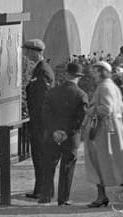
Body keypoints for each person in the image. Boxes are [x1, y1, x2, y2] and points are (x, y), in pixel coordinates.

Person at [82, 61, 123, 207]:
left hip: (104, 131)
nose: (93, 75)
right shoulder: (112, 86)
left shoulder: (104, 87)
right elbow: (120, 106)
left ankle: (103, 196)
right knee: (116, 160)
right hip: (113, 129)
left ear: (102, 72)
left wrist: (91, 110)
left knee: (97, 160)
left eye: (96, 72)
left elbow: (106, 109)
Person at [37, 62, 88, 205]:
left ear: (66, 74)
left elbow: (45, 113)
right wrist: (67, 132)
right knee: (67, 166)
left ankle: (45, 196)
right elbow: (80, 118)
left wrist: (55, 130)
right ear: (79, 77)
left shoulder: (52, 92)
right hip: (71, 137)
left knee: (49, 165)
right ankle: (63, 198)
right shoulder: (81, 95)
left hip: (53, 135)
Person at [22, 39, 55, 199]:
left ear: (36, 52)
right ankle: (40, 189)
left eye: (28, 52)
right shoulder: (40, 69)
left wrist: (41, 124)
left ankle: (43, 190)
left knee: (41, 155)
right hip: (39, 123)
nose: (26, 55)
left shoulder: (43, 71)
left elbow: (43, 101)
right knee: (38, 156)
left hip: (41, 124)